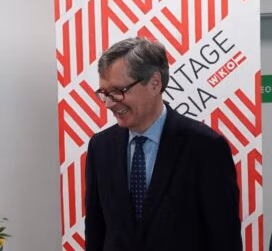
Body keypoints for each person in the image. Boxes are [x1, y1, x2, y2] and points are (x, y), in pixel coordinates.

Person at [85, 37, 242, 250]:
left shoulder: (206, 147)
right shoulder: (100, 147)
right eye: (104, 93)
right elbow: (96, 231)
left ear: (154, 83)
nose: (109, 103)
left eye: (118, 91)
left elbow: (224, 238)